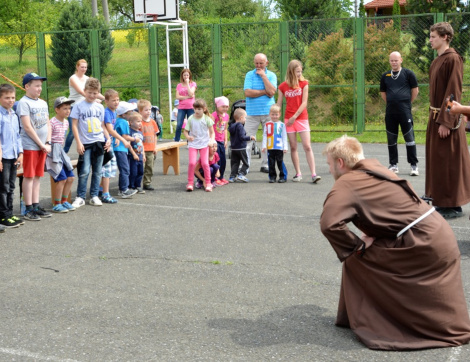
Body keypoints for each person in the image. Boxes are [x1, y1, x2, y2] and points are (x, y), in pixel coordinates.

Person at [320, 135, 470, 350]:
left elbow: (329, 224)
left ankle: (376, 321)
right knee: (361, 255)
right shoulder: (378, 170)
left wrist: (357, 246)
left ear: (340, 163)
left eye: (329, 164)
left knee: (356, 258)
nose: (330, 170)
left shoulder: (347, 182)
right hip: (439, 234)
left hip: (422, 242)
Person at [425, 22, 470, 219]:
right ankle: (439, 199)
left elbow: (453, 91)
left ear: (445, 37)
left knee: (449, 162)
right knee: (438, 161)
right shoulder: (437, 60)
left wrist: (446, 121)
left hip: (445, 119)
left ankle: (452, 204)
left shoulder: (453, 59)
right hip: (435, 117)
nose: (430, 39)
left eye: (433, 36)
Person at [277, 59, 320, 183]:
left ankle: (313, 174)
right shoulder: (283, 86)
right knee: (293, 146)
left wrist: (294, 116)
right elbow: (279, 104)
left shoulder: (304, 83)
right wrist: (275, 117)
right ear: (291, 72)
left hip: (300, 118)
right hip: (288, 120)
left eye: (300, 71)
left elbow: (304, 102)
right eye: (297, 72)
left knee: (307, 146)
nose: (299, 74)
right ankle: (298, 173)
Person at [70, 77, 111, 208]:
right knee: (84, 170)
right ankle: (80, 196)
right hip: (85, 143)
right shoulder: (78, 106)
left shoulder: (99, 107)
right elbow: (74, 125)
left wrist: (108, 138)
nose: (92, 95)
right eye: (90, 92)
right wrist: (78, 142)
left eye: (95, 93)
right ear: (84, 91)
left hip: (99, 141)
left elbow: (102, 125)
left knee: (98, 171)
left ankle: (94, 195)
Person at [16, 72, 52, 221]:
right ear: (27, 86)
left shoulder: (42, 103)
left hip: (43, 146)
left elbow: (48, 123)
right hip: (30, 145)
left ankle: (36, 206)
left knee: (37, 177)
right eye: (36, 86)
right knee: (29, 177)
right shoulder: (24, 103)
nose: (39, 89)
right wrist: (40, 143)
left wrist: (48, 142)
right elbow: (27, 127)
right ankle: (28, 208)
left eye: (40, 86)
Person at [380, 51, 419, 176]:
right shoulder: (385, 75)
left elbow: (415, 90)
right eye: (392, 60)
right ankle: (393, 165)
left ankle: (413, 166)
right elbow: (383, 93)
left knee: (409, 138)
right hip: (391, 112)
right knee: (391, 139)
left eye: (396, 60)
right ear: (389, 61)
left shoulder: (408, 74)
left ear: (401, 60)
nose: (394, 62)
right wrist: (392, 102)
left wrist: (406, 103)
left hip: (405, 112)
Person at [244, 53, 277, 173]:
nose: (258, 65)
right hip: (252, 113)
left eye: (261, 63)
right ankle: (245, 165)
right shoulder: (249, 75)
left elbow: (272, 92)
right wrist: (264, 91)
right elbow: (247, 93)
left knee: (268, 139)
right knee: (247, 140)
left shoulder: (271, 75)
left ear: (266, 63)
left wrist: (263, 76)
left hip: (268, 112)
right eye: (256, 63)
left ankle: (266, 164)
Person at [64, 59, 105, 153]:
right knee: (72, 132)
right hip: (74, 106)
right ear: (77, 67)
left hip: (86, 106)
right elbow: (82, 92)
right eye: (82, 67)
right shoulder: (73, 78)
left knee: (85, 129)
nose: (84, 69)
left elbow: (93, 92)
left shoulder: (87, 78)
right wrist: (94, 99)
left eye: (85, 67)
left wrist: (105, 99)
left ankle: (84, 149)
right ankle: (65, 151)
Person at [46, 97, 76, 213]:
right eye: (64, 108)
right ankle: (57, 203)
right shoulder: (52, 123)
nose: (68, 111)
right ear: (57, 110)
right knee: (61, 178)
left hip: (61, 151)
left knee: (71, 177)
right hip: (53, 151)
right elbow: (47, 138)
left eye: (69, 108)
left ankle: (64, 201)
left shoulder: (66, 122)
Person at [0, 83, 24, 229]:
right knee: (3, 187)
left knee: (11, 186)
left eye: (13, 97)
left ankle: (9, 213)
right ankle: (3, 215)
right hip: (4, 156)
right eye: (7, 97)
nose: (10, 100)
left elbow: (18, 136)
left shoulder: (14, 115)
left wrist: (20, 153)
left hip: (14, 155)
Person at [183, 98, 215, 192]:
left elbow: (212, 133)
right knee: (192, 163)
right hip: (193, 144)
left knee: (205, 163)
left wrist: (211, 140)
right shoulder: (191, 118)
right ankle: (190, 183)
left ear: (204, 109)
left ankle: (208, 183)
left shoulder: (207, 119)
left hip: (204, 144)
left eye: (199, 109)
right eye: (195, 109)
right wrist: (188, 137)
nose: (196, 111)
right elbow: (185, 131)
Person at [101, 89, 126, 204]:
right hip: (105, 144)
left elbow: (112, 128)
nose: (116, 102)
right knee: (106, 169)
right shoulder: (106, 112)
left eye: (117, 100)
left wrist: (115, 137)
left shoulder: (114, 112)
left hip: (110, 141)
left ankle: (101, 189)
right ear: (106, 101)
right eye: (113, 100)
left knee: (112, 168)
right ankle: (105, 193)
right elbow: (108, 129)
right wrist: (122, 139)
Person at [114, 102, 138, 199]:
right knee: (125, 169)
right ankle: (124, 189)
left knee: (124, 168)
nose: (132, 114)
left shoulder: (117, 120)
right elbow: (125, 136)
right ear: (124, 114)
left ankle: (122, 188)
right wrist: (135, 139)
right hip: (121, 148)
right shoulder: (123, 122)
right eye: (130, 112)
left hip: (119, 148)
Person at [228, 108, 256, 183]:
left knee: (235, 163)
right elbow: (242, 137)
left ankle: (232, 176)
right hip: (241, 148)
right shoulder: (240, 126)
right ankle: (241, 174)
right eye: (245, 118)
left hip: (234, 148)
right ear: (241, 118)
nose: (245, 120)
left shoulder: (232, 126)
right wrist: (250, 137)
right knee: (246, 163)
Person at [261, 104, 288, 183]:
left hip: (279, 147)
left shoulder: (282, 125)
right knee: (271, 163)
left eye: (276, 114)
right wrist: (264, 146)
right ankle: (272, 176)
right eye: (272, 114)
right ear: (270, 114)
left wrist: (285, 147)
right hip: (270, 147)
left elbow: (284, 136)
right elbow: (265, 135)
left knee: (280, 162)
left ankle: (283, 176)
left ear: (279, 115)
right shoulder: (267, 124)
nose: (274, 116)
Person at [138, 99, 159, 191]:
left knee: (149, 167)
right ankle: (136, 184)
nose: (148, 112)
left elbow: (155, 135)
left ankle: (147, 183)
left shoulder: (153, 122)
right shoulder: (139, 122)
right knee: (139, 168)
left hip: (151, 149)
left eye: (149, 109)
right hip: (141, 149)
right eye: (146, 110)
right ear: (140, 111)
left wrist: (155, 147)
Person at [174, 69, 197, 142]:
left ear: (189, 75)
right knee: (179, 124)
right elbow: (177, 96)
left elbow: (191, 93)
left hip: (190, 107)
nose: (186, 76)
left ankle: (189, 141)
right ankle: (176, 140)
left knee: (190, 125)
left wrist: (187, 84)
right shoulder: (179, 85)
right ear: (182, 76)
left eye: (187, 75)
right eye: (184, 75)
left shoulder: (193, 84)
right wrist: (187, 97)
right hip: (181, 107)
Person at [212, 96, 229, 185]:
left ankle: (221, 176)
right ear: (218, 106)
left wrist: (226, 140)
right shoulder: (214, 115)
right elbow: (210, 128)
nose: (225, 108)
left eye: (226, 106)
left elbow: (225, 129)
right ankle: (215, 177)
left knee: (223, 160)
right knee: (216, 160)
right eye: (223, 106)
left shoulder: (226, 116)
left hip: (221, 141)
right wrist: (211, 140)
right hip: (215, 141)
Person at [127, 113, 145, 193]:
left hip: (140, 155)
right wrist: (133, 154)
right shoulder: (129, 132)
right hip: (132, 155)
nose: (140, 123)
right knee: (133, 172)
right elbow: (128, 144)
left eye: (140, 121)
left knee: (140, 171)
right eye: (138, 121)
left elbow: (142, 144)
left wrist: (143, 154)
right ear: (131, 122)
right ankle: (131, 186)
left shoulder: (140, 133)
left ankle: (138, 185)